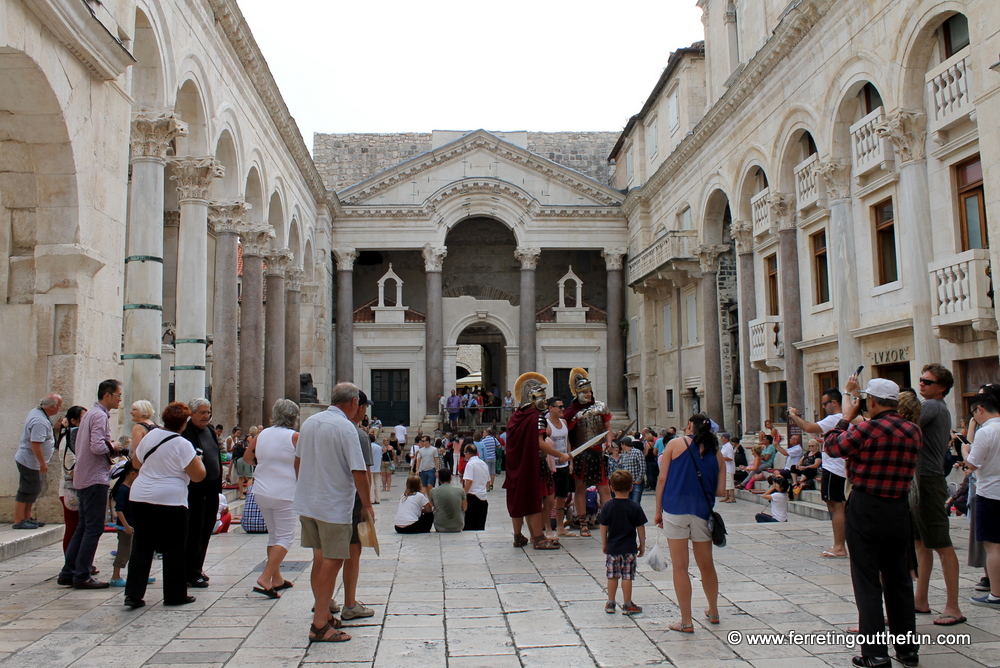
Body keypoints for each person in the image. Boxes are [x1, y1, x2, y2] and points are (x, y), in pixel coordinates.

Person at [823, 378, 920, 667]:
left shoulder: (865, 429)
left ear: (873, 401)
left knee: (867, 580)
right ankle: (908, 650)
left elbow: (832, 447)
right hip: (898, 507)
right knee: (898, 579)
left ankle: (875, 654)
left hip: (866, 505)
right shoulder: (913, 431)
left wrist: (844, 419)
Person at [294, 382, 371, 643]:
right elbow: (359, 471)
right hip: (333, 505)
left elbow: (298, 460)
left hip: (309, 503)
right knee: (334, 560)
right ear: (352, 403)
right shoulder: (345, 428)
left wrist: (305, 487)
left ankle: (324, 613)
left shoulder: (310, 422)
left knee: (320, 559)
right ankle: (319, 625)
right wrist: (368, 505)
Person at [124, 402, 207, 609]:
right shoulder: (183, 444)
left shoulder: (150, 436)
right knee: (174, 547)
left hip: (141, 496)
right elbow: (198, 476)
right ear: (184, 423)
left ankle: (133, 594)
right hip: (170, 500)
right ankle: (175, 594)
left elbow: (136, 464)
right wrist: (198, 460)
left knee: (142, 545)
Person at [654, 414, 725, 633]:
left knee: (680, 567)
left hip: (675, 508)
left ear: (690, 426)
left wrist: (657, 510)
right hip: (702, 511)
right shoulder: (717, 454)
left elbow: (662, 479)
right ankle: (713, 611)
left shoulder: (675, 444)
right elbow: (721, 491)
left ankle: (686, 620)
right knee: (706, 565)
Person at [913, 363, 965, 626]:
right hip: (922, 479)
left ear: (941, 388)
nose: (922, 384)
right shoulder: (935, 407)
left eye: (927, 381)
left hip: (928, 480)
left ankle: (953, 606)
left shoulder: (933, 406)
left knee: (941, 544)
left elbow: (903, 426)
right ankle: (920, 599)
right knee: (921, 543)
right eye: (921, 380)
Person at [59, 380, 122, 588]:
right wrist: (115, 446)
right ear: (107, 395)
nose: (120, 398)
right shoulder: (99, 415)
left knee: (83, 526)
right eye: (118, 395)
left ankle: (69, 571)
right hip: (95, 477)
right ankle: (82, 575)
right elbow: (96, 446)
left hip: (85, 477)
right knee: (93, 528)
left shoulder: (90, 415)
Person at [504, 372, 570, 549]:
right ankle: (539, 538)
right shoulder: (537, 417)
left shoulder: (515, 417)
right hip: (533, 465)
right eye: (541, 396)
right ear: (532, 398)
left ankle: (519, 536)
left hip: (515, 465)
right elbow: (539, 443)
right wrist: (560, 455)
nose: (544, 400)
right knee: (535, 500)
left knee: (518, 500)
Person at [243, 399, 300, 598]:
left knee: (274, 535)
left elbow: (247, 459)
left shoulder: (261, 434)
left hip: (262, 490)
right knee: (285, 537)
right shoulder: (294, 437)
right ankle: (265, 577)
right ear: (294, 417)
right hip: (285, 492)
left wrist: (266, 462)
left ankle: (277, 578)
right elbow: (299, 467)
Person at [788, 387, 847, 558]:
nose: (823, 407)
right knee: (839, 506)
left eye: (824, 403)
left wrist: (794, 415)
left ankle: (839, 546)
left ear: (833, 403)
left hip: (834, 468)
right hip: (841, 467)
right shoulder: (847, 418)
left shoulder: (835, 418)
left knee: (835, 506)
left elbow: (808, 427)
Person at [563, 368, 612, 538]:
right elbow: (567, 435)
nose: (589, 394)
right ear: (578, 393)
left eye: (590, 391)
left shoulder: (600, 407)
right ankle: (583, 523)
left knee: (604, 489)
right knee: (580, 489)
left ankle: (611, 521)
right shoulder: (571, 412)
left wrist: (610, 442)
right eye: (585, 392)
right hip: (581, 454)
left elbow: (607, 427)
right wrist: (570, 457)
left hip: (598, 453)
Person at [182, 398, 222, 590]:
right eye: (202, 412)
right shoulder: (186, 432)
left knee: (206, 530)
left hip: (212, 489)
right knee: (194, 531)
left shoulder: (210, 430)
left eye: (208, 412)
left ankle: (197, 567)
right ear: (192, 413)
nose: (206, 416)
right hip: (195, 490)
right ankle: (189, 572)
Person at [964, 393, 1000, 610]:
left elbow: (972, 464)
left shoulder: (986, 431)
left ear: (979, 409)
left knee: (993, 545)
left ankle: (996, 594)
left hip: (991, 491)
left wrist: (964, 450)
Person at [600, 469, 647, 615]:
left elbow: (603, 526)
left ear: (611, 488)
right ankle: (627, 604)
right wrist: (642, 544)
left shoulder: (608, 506)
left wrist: (604, 543)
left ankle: (611, 602)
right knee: (627, 576)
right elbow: (640, 527)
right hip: (629, 547)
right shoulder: (634, 506)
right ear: (631, 487)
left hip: (613, 547)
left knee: (612, 575)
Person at [14, 393, 62, 529]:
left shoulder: (37, 413)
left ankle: (27, 517)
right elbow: (35, 443)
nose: (59, 408)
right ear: (52, 407)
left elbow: (39, 435)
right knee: (26, 489)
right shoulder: (39, 420)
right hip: (29, 461)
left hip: (30, 460)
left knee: (33, 489)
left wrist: (54, 429)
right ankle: (19, 520)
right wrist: (42, 463)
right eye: (59, 406)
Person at [110, 462, 150, 587]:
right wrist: (126, 526)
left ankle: (139, 575)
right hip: (125, 529)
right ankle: (115, 576)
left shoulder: (131, 488)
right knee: (124, 552)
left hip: (134, 527)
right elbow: (119, 509)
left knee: (136, 552)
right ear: (133, 473)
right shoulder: (123, 489)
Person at [544, 398, 575, 538]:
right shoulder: (546, 424)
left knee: (562, 496)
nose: (563, 409)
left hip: (564, 464)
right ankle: (548, 528)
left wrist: (570, 461)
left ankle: (560, 526)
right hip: (551, 466)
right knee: (550, 498)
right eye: (560, 407)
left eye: (563, 406)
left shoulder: (563, 422)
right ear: (551, 408)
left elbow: (566, 441)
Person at [57, 405, 87, 551]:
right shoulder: (67, 441)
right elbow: (72, 468)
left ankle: (81, 561)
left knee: (82, 527)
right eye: (84, 419)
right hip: (71, 489)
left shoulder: (79, 439)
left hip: (82, 488)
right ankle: (71, 562)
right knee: (73, 527)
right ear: (74, 421)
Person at [462, 443, 490, 530]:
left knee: (469, 526)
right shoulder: (483, 464)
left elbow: (469, 481)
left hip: (473, 497)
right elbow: (488, 482)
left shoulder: (470, 464)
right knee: (480, 526)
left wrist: (463, 495)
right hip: (483, 498)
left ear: (468, 453)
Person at [431, 468, 466, 532]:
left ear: (439, 479)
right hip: (458, 526)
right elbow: (464, 508)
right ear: (451, 478)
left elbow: (433, 505)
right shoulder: (460, 490)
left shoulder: (433, 491)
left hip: (440, 527)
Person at [617, 434, 646, 504]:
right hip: (627, 483)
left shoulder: (637, 452)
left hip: (636, 482)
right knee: (627, 502)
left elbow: (643, 467)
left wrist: (639, 479)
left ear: (624, 444)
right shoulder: (624, 455)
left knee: (635, 502)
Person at [234, 426, 257, 498]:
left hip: (239, 459)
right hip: (246, 459)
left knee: (240, 478)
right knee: (250, 477)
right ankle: (249, 494)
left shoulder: (243, 440)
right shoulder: (252, 438)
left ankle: (241, 494)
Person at [719, 432, 736, 503]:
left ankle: (732, 497)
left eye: (722, 438)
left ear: (725, 439)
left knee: (730, 482)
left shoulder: (729, 446)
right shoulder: (724, 446)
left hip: (729, 467)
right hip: (725, 467)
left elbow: (730, 457)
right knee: (726, 482)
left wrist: (721, 458)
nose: (721, 439)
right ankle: (726, 496)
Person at [370, 435, 382, 504]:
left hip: (371, 467)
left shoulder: (369, 447)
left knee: (371, 484)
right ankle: (378, 499)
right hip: (377, 467)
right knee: (377, 483)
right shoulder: (379, 447)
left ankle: (371, 498)